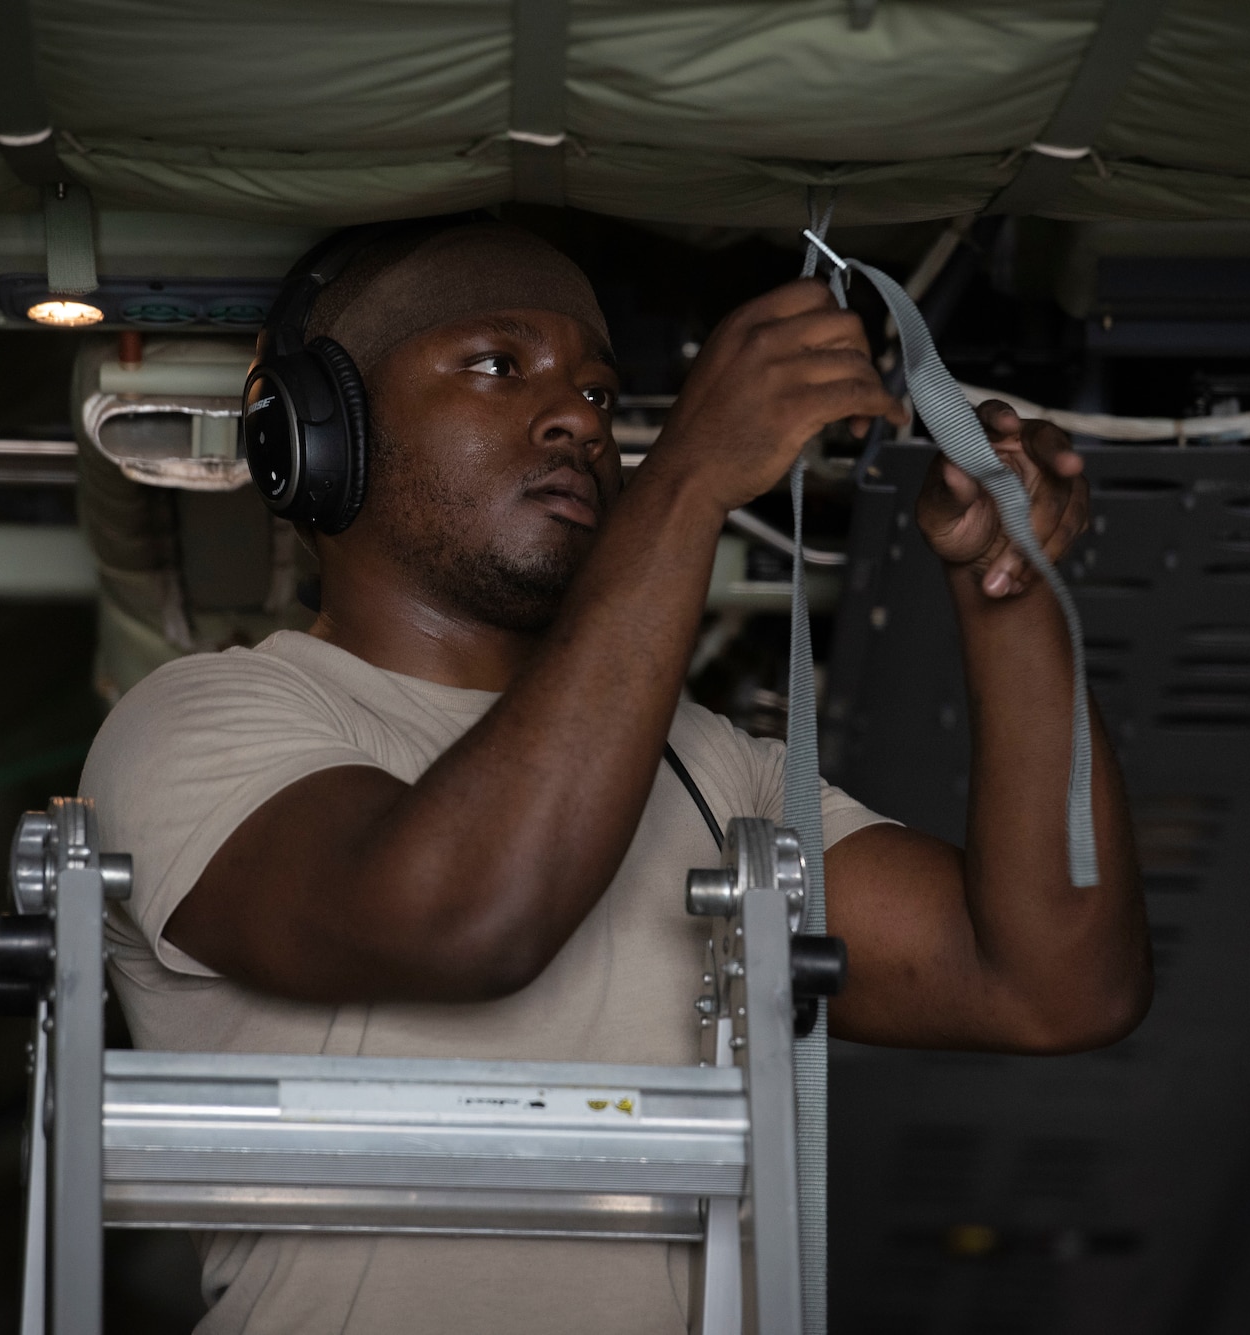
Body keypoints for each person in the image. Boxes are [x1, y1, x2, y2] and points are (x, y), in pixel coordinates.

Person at [81, 218, 1147, 1335]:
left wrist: (1005, 587)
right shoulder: (204, 722)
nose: (574, 422)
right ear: (319, 433)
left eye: (599, 396)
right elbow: (467, 917)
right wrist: (685, 479)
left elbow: (1051, 985)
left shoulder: (709, 770)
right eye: (497, 366)